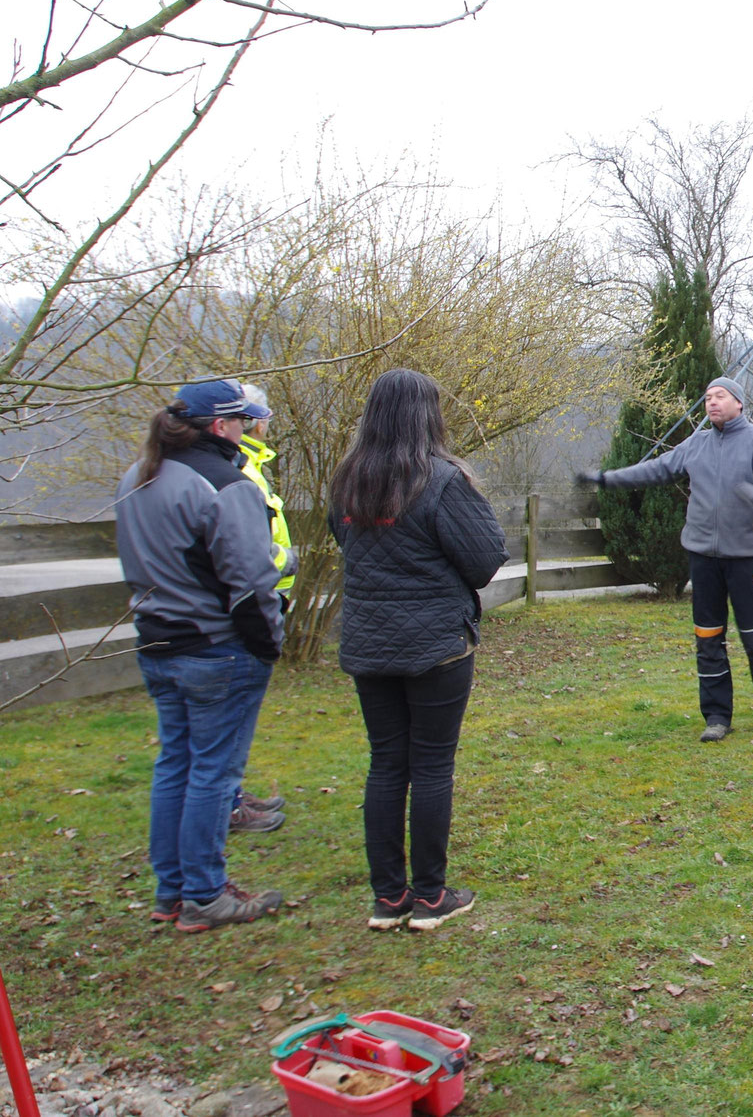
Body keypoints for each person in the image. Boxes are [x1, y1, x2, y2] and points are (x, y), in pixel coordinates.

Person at [328, 369, 507, 932]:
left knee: (386, 763)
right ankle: (430, 897)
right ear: (427, 415)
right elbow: (484, 560)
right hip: (435, 644)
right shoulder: (442, 480)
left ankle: (389, 897)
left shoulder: (347, 480)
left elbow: (346, 541)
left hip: (368, 641)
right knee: (430, 765)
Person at [113, 379, 285, 933]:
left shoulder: (140, 477)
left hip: (157, 641)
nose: (246, 428)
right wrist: (267, 644)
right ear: (220, 426)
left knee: (176, 766)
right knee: (213, 773)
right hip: (215, 648)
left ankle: (172, 891)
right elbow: (250, 581)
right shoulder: (225, 485)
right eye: (240, 420)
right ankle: (206, 895)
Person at [579, 376, 753, 742]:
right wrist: (605, 479)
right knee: (708, 638)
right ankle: (716, 717)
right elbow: (654, 469)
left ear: (739, 403)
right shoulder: (696, 444)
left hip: (745, 560)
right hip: (703, 559)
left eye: (720, 396)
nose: (712, 402)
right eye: (708, 397)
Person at [228, 382, 295, 836]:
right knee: (228, 718)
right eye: (262, 414)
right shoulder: (238, 472)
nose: (268, 421)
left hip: (262, 603)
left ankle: (229, 793)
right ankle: (226, 803)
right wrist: (284, 561)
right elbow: (243, 550)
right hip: (247, 610)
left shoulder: (248, 464)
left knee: (232, 721)